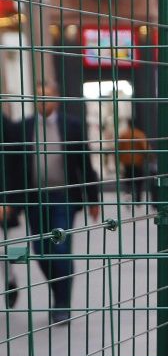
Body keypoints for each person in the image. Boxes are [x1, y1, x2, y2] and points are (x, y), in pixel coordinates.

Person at [4, 86, 98, 324]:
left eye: (47, 97)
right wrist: (10, 201)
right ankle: (59, 292)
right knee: (41, 252)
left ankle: (62, 305)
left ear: (55, 99)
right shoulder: (22, 128)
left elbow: (84, 163)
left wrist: (93, 198)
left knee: (60, 249)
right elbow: (12, 167)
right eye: (38, 97)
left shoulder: (72, 125)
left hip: (64, 198)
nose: (43, 102)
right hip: (34, 199)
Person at [116, 119, 151, 200]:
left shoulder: (124, 135)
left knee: (128, 181)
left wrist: (119, 160)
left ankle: (128, 195)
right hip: (138, 163)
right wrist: (147, 157)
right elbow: (146, 148)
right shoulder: (140, 134)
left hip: (127, 163)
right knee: (139, 182)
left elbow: (118, 149)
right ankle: (138, 199)